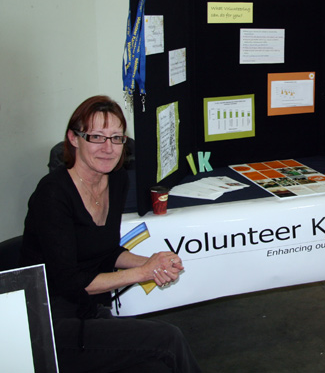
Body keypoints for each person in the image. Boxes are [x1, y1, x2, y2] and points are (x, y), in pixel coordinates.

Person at [20, 96, 202, 373]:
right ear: (73, 138)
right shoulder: (53, 194)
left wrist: (151, 262)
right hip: (50, 321)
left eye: (117, 138)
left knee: (157, 367)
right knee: (168, 339)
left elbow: (105, 251)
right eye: (96, 137)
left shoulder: (115, 180)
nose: (108, 148)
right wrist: (144, 273)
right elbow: (71, 283)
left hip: (91, 310)